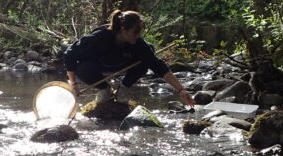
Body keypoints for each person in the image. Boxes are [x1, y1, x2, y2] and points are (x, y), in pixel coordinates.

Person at [64, 10, 194, 107]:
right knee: (81, 68)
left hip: (122, 64)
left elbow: (158, 66)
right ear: (123, 29)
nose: (138, 36)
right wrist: (73, 83)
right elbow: (70, 54)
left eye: (139, 32)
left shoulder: (138, 44)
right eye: (135, 32)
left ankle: (123, 89)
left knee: (146, 60)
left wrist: (181, 89)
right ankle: (105, 89)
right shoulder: (99, 38)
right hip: (99, 66)